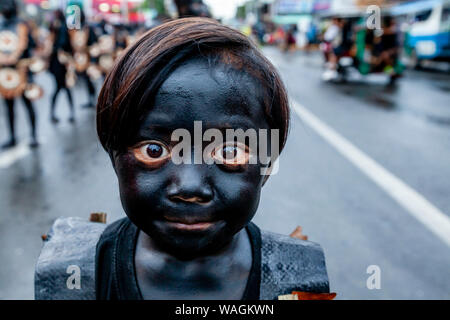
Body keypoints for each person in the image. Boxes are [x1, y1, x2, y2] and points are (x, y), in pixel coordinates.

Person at [35, 18, 331, 300]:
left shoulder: (299, 279)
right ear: (115, 154)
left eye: (229, 152)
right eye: (154, 150)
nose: (189, 188)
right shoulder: (73, 272)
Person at [0, 0, 38, 149]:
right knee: (9, 106)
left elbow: (31, 44)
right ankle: (12, 137)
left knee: (27, 102)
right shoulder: (2, 25)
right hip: (6, 72)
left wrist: (16, 56)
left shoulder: (22, 24)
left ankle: (33, 135)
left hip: (22, 70)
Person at [48, 9, 75, 123]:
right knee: (62, 88)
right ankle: (67, 113)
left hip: (61, 64)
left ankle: (57, 113)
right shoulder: (57, 29)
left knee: (61, 88)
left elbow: (63, 44)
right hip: (59, 64)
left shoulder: (61, 28)